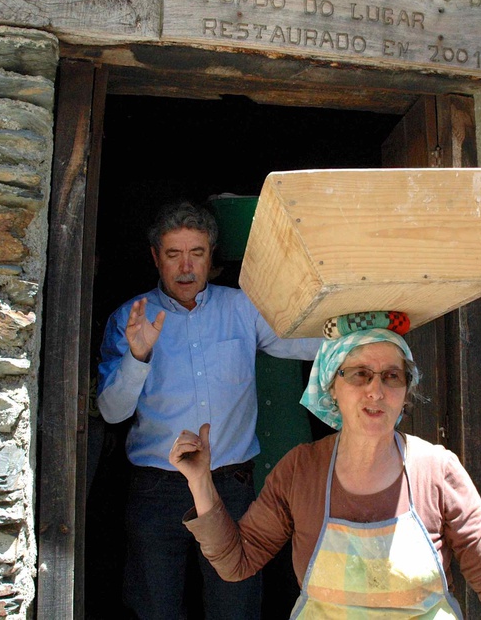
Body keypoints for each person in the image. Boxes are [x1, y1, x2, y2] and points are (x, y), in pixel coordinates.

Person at [168, 323, 481, 619]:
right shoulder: (301, 470)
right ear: (332, 386)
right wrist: (200, 481)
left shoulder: (437, 470)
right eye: (360, 374)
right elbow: (237, 562)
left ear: (406, 391)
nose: (376, 391)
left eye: (391, 376)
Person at [96, 200, 321, 620]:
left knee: (235, 606)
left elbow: (306, 343)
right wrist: (138, 356)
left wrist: (365, 327)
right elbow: (111, 412)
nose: (186, 267)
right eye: (173, 254)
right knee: (155, 610)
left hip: (229, 487)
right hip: (157, 489)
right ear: (155, 257)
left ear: (210, 256)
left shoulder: (242, 308)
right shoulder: (131, 318)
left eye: (196, 253)